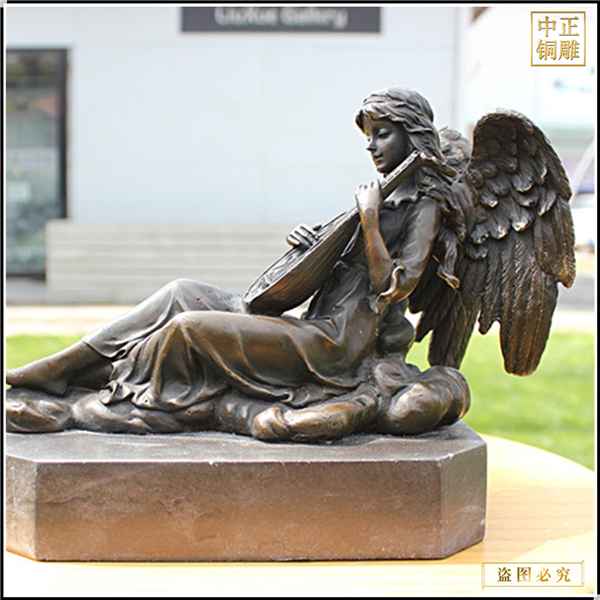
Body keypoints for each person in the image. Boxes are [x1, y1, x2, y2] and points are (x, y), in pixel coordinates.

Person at [6, 87, 470, 441]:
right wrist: (312, 244)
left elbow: (394, 285)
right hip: (311, 322)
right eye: (368, 136)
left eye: (382, 134)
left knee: (190, 328)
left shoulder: (425, 206)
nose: (371, 146)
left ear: (412, 134)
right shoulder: (386, 196)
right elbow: (334, 270)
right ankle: (62, 368)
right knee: (180, 292)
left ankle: (107, 390)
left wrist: (368, 219)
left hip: (334, 348)